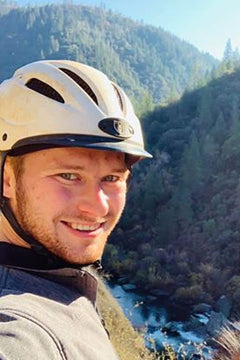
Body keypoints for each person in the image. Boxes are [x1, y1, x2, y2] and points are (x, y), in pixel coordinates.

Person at [0, 60, 152, 359]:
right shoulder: (18, 331)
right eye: (69, 176)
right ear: (6, 180)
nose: (98, 206)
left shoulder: (56, 281)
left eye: (112, 178)